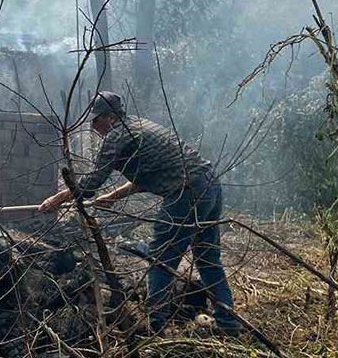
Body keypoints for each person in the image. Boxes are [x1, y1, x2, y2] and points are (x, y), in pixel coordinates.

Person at [38, 92, 239, 334]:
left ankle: (155, 329)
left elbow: (91, 183)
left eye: (96, 120)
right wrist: (113, 197)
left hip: (186, 193)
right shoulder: (140, 125)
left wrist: (56, 199)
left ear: (110, 117)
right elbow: (146, 177)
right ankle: (229, 326)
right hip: (209, 186)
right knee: (208, 261)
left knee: (160, 260)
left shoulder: (117, 135)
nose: (93, 126)